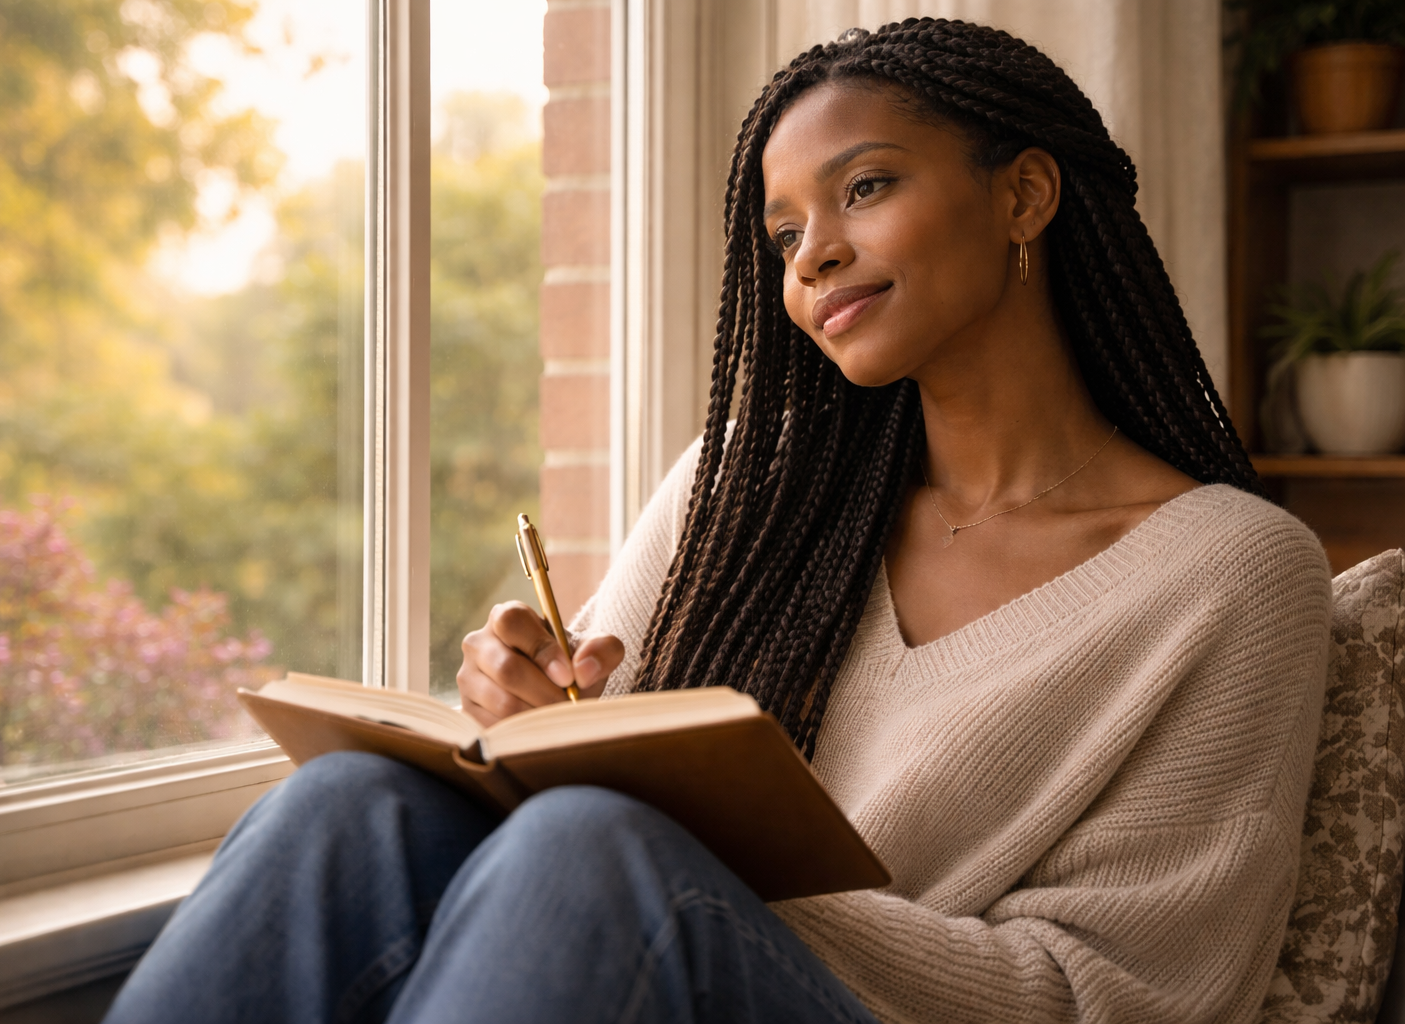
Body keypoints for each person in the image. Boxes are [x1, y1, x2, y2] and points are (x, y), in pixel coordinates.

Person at [105, 18, 1331, 1024]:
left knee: (588, 846)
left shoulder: (1230, 570)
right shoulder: (740, 484)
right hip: (637, 955)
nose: (814, 259)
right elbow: (567, 755)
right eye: (785, 233)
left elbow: (1122, 997)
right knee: (351, 805)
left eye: (866, 188)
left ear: (1024, 194)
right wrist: (514, 707)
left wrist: (692, 858)